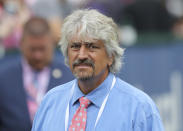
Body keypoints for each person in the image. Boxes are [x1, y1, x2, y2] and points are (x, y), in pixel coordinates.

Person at [32, 9, 164, 131]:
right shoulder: (50, 102)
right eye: (75, 46)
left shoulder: (139, 108)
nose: (82, 55)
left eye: (92, 47)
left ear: (111, 56)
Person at [0, 16, 74, 131]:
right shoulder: (3, 78)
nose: (37, 55)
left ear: (52, 44)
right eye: (33, 49)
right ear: (21, 44)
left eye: (42, 49)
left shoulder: (70, 78)